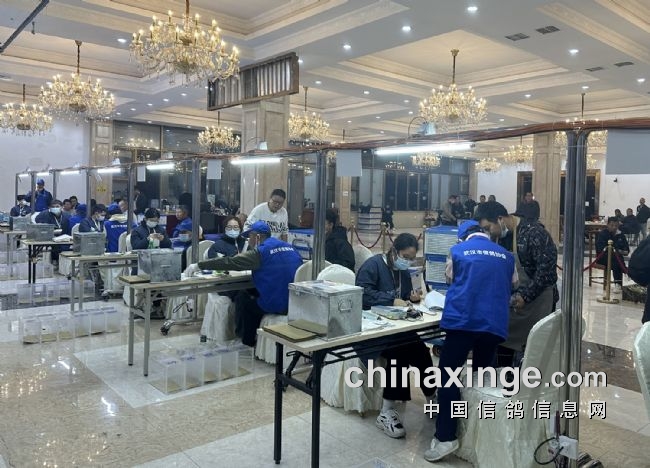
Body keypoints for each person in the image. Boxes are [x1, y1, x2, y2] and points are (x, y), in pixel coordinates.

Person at [425, 221, 517, 462]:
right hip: (493, 324)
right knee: (483, 380)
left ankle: (446, 437)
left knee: (448, 378)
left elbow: (449, 279)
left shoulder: (457, 251)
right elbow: (514, 284)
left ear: (463, 237)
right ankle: (481, 436)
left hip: (462, 321)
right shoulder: (507, 255)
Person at [355, 233, 435, 439]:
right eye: (405, 257)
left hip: (397, 328)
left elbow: (404, 296)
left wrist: (411, 298)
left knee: (421, 351)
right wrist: (391, 299)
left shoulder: (403, 271)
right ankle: (386, 412)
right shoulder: (373, 266)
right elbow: (362, 293)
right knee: (399, 353)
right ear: (394, 251)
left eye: (411, 258)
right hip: (372, 330)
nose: (407, 262)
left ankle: (432, 398)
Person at [187, 221, 302, 347]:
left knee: (244, 300)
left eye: (250, 237)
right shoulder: (291, 248)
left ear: (257, 237)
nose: (249, 241)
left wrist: (199, 265)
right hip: (294, 302)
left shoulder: (260, 252)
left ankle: (247, 341)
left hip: (277, 304)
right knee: (251, 293)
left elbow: (230, 262)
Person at [475, 201, 558, 367]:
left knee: (531, 352)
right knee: (502, 343)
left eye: (488, 228)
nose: (488, 233)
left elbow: (546, 272)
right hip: (512, 305)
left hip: (536, 302)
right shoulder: (500, 238)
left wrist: (525, 296)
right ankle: (504, 378)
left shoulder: (534, 233)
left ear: (500, 219)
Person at [596, 217, 630, 293]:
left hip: (616, 258)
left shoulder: (621, 235)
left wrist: (618, 251)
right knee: (617, 259)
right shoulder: (603, 234)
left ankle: (618, 283)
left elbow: (626, 250)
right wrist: (618, 251)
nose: (614, 227)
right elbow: (601, 248)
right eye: (612, 225)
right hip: (603, 257)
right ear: (607, 225)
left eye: (616, 225)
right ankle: (624, 274)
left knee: (616, 259)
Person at [35, 199, 71, 265]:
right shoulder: (44, 214)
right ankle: (55, 260)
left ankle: (63, 262)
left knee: (66, 245)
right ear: (50, 208)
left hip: (63, 236)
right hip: (49, 237)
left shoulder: (67, 215)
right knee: (56, 246)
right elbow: (38, 222)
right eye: (53, 207)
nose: (55, 208)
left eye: (57, 206)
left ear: (62, 207)